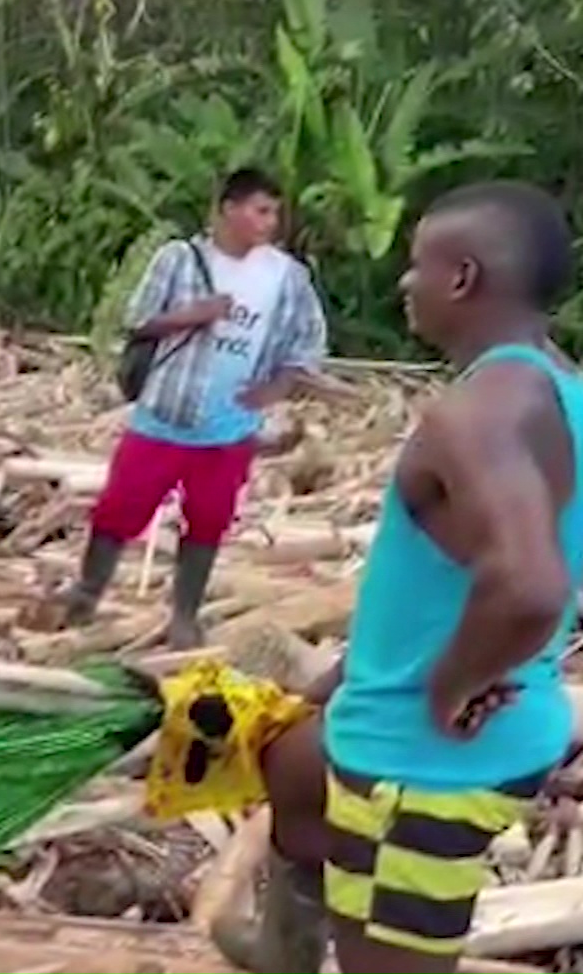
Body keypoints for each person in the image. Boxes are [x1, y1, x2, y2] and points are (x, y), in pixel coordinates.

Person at [216, 181, 583, 974]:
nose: (404, 284)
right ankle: (289, 944)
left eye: (418, 266)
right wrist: (339, 682)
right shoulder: (558, 388)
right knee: (295, 761)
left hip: (424, 765)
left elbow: (530, 587)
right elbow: (464, 577)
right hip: (442, 722)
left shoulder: (476, 414)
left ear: (463, 278)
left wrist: (452, 683)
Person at [56, 169, 328, 648]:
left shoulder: (287, 277)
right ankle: (87, 593)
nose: (268, 223)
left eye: (273, 213)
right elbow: (136, 320)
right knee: (119, 509)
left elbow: (308, 342)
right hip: (165, 414)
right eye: (259, 210)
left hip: (230, 426)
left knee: (208, 520)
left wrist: (275, 389)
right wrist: (192, 315)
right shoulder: (179, 260)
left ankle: (184, 613)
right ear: (228, 208)